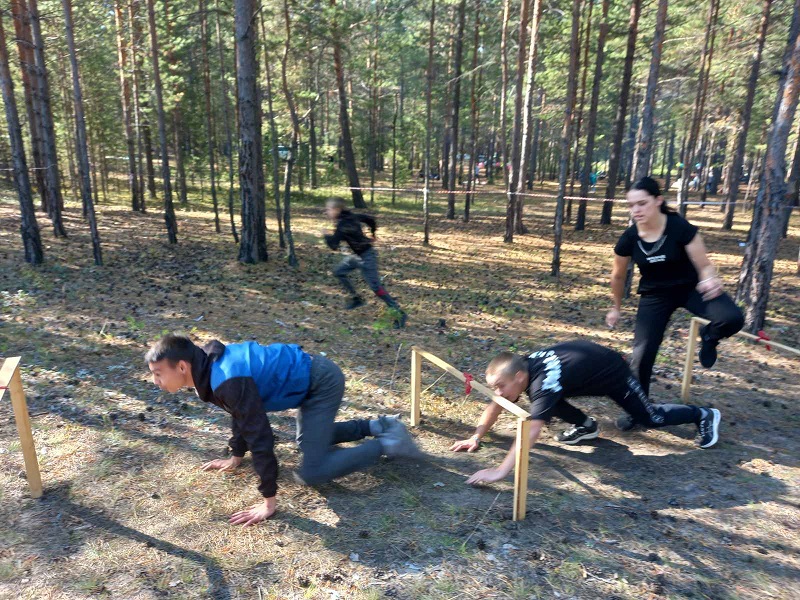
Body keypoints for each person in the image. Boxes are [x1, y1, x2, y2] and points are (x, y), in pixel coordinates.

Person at [146, 335, 421, 526]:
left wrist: (268, 502)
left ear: (182, 367)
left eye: (158, 373)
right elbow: (239, 413)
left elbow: (261, 437)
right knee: (305, 441)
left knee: (312, 472)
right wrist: (236, 455)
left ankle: (389, 443)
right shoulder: (208, 369)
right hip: (309, 381)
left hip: (320, 382)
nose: (155, 381)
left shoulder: (224, 378)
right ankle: (379, 425)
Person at [450, 341, 721, 486]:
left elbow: (531, 430)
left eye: (500, 386)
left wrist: (500, 471)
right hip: (583, 373)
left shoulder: (541, 383)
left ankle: (703, 415)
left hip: (613, 373)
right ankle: (586, 427)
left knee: (651, 418)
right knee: (544, 402)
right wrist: (476, 436)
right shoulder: (521, 369)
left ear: (519, 377)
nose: (497, 392)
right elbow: (498, 402)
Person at [606, 177, 744, 411]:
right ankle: (639, 410)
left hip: (690, 288)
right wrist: (616, 307)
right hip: (655, 295)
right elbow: (618, 277)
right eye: (631, 205)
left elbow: (704, 264)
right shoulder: (629, 238)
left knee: (732, 318)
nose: (636, 210)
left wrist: (710, 278)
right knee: (642, 354)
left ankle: (709, 337)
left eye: (642, 203)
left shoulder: (679, 227)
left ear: (658, 200)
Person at [323, 197, 407, 328]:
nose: (327, 212)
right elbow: (370, 220)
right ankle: (356, 298)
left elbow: (333, 245)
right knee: (339, 272)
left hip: (367, 257)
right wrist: (373, 234)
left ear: (337, 209)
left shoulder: (342, 225)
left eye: (328, 209)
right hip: (357, 256)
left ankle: (399, 313)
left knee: (376, 288)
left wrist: (326, 235)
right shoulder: (352, 217)